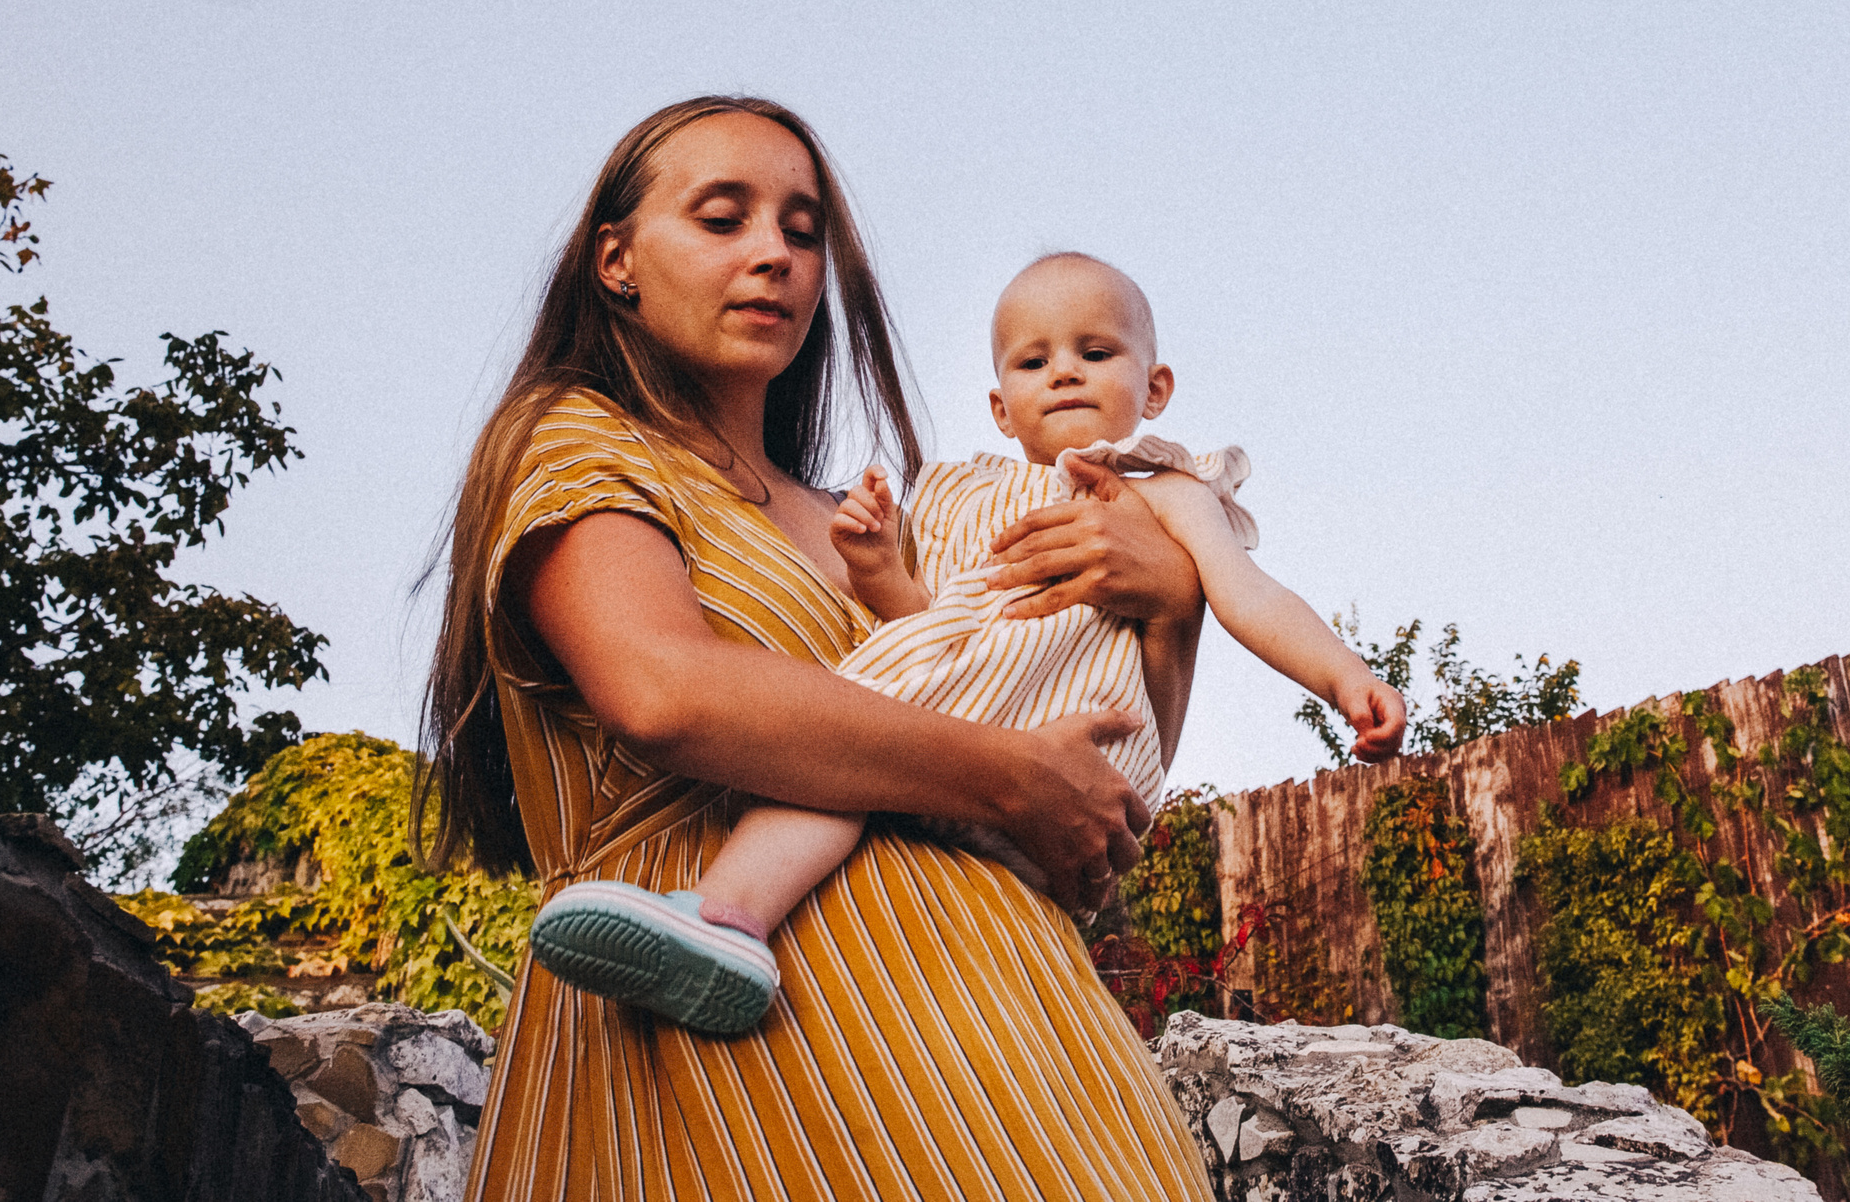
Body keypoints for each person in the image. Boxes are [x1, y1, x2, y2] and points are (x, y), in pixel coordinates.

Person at [420, 96, 1217, 1198]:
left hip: (1021, 1032)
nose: (776, 256)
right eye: (722, 219)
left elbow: (1106, 782)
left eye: (802, 231)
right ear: (616, 261)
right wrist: (1006, 776)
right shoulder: (578, 439)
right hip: (733, 1036)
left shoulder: (880, 523)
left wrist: (1173, 609)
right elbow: (663, 690)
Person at [527, 251, 1408, 1033]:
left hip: (1075, 743)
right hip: (986, 729)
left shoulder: (1161, 487)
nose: (1063, 372)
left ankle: (723, 913)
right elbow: (928, 620)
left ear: (1155, 386)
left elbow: (1245, 591)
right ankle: (731, 922)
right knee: (851, 745)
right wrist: (877, 569)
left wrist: (1343, 677)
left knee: (855, 730)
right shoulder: (957, 494)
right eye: (1034, 360)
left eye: (1094, 352)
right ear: (999, 404)